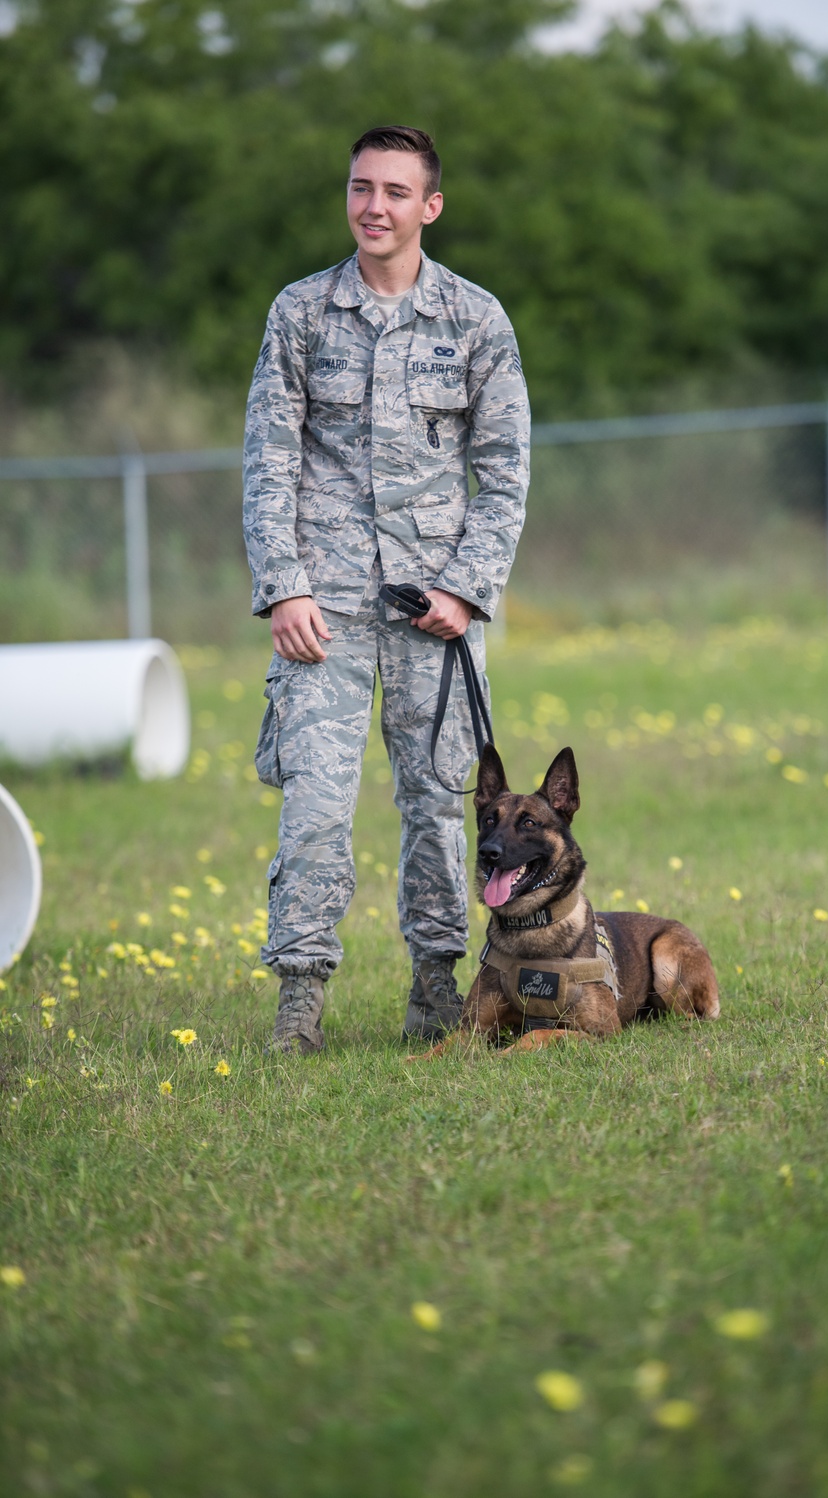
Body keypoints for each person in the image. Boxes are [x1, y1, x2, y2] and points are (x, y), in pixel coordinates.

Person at [243, 125, 531, 1054]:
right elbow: (268, 460)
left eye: (396, 192)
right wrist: (284, 587)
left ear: (430, 206)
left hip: (432, 611)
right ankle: (299, 1001)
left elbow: (506, 469)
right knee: (317, 806)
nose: (375, 206)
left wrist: (468, 588)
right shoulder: (299, 312)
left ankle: (436, 990)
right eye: (362, 188)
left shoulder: (476, 319)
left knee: (442, 802)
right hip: (320, 613)